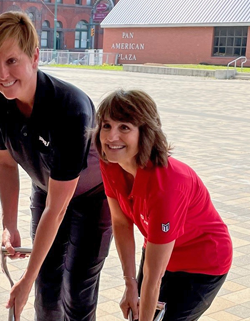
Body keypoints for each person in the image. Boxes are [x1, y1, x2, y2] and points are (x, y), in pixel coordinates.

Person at [0, 11, 112, 321]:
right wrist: (8, 225)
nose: (2, 76)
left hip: (91, 198)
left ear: (35, 56)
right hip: (46, 188)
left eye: (11, 61)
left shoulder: (70, 107)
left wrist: (24, 280)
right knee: (46, 290)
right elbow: (6, 165)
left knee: (77, 292)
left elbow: (59, 206)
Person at [94, 89, 232, 321]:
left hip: (201, 263)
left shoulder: (167, 184)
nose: (111, 137)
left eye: (124, 127)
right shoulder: (111, 162)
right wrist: (130, 284)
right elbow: (120, 222)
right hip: (159, 249)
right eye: (106, 126)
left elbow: (154, 278)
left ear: (145, 132)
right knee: (138, 313)